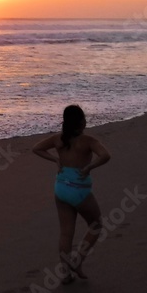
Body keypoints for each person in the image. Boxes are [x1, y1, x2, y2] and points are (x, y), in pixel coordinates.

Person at [32, 105, 111, 282]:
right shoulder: (88, 141)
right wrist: (90, 166)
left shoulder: (58, 139)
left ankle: (65, 274)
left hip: (61, 188)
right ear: (82, 122)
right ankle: (77, 261)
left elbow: (36, 148)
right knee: (96, 225)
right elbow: (106, 155)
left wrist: (55, 159)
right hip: (79, 191)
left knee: (66, 233)